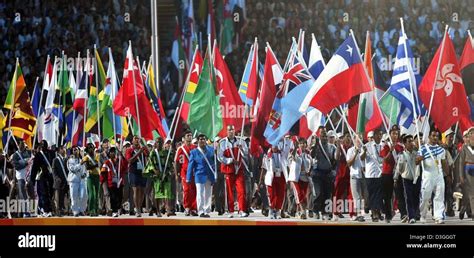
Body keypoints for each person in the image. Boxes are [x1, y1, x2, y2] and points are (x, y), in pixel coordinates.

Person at [416, 128, 447, 224]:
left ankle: (438, 216)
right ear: (429, 137)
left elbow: (443, 163)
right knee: (425, 197)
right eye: (433, 136)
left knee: (439, 196)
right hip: (428, 175)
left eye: (437, 136)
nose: (435, 138)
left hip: (439, 175)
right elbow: (416, 162)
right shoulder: (422, 148)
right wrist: (419, 159)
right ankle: (423, 215)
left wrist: (448, 175)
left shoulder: (441, 150)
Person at [217, 125, 249, 218]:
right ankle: (230, 210)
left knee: (241, 190)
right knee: (229, 191)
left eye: (232, 130)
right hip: (229, 170)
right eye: (229, 130)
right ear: (227, 131)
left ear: (235, 130)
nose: (231, 131)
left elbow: (246, 153)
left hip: (239, 169)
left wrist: (242, 149)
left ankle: (242, 210)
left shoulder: (241, 141)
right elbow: (220, 157)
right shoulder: (222, 143)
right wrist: (230, 160)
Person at [187, 134, 216, 218]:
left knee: (208, 193)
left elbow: (214, 162)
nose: (202, 141)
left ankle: (207, 210)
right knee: (200, 193)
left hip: (210, 174)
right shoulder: (194, 152)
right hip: (199, 175)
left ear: (206, 141)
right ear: (198, 141)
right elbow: (190, 166)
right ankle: (200, 211)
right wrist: (188, 178)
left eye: (203, 139)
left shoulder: (211, 150)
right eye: (200, 139)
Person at [379, 125, 404, 223]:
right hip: (387, 173)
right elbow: (385, 159)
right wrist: (391, 150)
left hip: (398, 173)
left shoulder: (400, 146)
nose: (395, 135)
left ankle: (403, 214)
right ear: (389, 134)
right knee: (387, 196)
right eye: (393, 133)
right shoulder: (386, 146)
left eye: (397, 134)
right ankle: (388, 215)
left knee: (400, 195)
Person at [311, 128, 336, 220]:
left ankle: (325, 212)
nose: (324, 137)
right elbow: (312, 155)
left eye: (326, 136)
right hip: (317, 173)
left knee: (327, 194)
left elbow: (335, 159)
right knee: (319, 193)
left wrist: (339, 148)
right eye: (322, 136)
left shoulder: (332, 147)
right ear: (319, 136)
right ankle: (315, 210)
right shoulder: (316, 146)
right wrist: (316, 145)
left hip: (328, 174)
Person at [395, 134, 421, 224]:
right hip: (406, 180)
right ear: (405, 144)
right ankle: (411, 216)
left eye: (412, 141)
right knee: (409, 198)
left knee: (416, 197)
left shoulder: (417, 153)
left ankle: (416, 212)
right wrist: (395, 178)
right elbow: (399, 168)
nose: (411, 143)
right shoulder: (402, 155)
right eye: (409, 141)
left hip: (416, 179)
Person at [174, 130, 198, 216]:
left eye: (191, 135)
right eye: (188, 135)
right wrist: (177, 174)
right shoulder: (180, 149)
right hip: (184, 172)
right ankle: (187, 207)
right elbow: (176, 162)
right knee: (187, 190)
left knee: (194, 190)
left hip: (194, 172)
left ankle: (194, 208)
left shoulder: (195, 147)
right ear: (183, 138)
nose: (190, 137)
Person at [288, 138, 312, 220]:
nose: (303, 145)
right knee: (299, 194)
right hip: (296, 178)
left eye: (304, 143)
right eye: (301, 143)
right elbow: (293, 157)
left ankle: (298, 212)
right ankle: (303, 212)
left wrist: (309, 171)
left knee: (304, 196)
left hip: (305, 178)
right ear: (298, 145)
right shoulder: (296, 153)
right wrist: (295, 148)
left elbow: (311, 164)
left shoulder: (308, 154)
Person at [363, 130, 384, 222]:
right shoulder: (367, 146)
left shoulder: (384, 146)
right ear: (374, 136)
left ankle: (378, 211)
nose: (379, 136)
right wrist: (364, 152)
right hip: (370, 174)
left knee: (379, 195)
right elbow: (361, 158)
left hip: (380, 173)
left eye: (381, 134)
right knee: (372, 195)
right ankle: (373, 213)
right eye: (378, 135)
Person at [262, 144, 287, 219]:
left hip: (281, 175)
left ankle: (278, 210)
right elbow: (264, 167)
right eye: (273, 146)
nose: (275, 147)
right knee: (272, 193)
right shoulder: (267, 154)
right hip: (271, 176)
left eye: (276, 146)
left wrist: (287, 178)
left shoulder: (282, 153)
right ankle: (271, 210)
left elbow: (286, 165)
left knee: (280, 194)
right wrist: (261, 179)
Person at [126, 135, 149, 217]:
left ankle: (139, 206)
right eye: (135, 138)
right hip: (133, 172)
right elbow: (129, 160)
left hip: (142, 171)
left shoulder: (142, 148)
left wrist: (145, 147)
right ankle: (137, 209)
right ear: (132, 140)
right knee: (136, 189)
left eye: (138, 139)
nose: (137, 140)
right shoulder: (129, 150)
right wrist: (139, 153)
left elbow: (149, 155)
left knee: (142, 191)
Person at [30, 140, 55, 217]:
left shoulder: (51, 153)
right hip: (41, 176)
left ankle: (47, 209)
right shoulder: (38, 155)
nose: (43, 146)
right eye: (42, 144)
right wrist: (32, 179)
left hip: (50, 177)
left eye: (45, 144)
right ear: (40, 146)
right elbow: (34, 168)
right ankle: (44, 210)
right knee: (43, 193)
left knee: (50, 193)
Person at [333, 132, 354, 220]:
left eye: (350, 137)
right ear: (344, 138)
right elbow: (337, 157)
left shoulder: (353, 148)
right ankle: (335, 213)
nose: (348, 138)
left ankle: (353, 214)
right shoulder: (341, 147)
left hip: (351, 174)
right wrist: (338, 146)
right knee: (338, 193)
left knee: (351, 194)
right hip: (341, 174)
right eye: (347, 137)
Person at [10, 139, 33, 217]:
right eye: (21, 144)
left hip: (28, 177)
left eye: (23, 144)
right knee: (23, 196)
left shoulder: (28, 153)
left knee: (32, 195)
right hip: (20, 178)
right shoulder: (15, 155)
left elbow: (31, 162)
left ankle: (31, 211)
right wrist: (26, 163)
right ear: (18, 145)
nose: (22, 146)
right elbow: (17, 167)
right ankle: (26, 212)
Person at [100, 147, 125, 217]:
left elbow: (125, 166)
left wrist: (122, 156)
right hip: (111, 183)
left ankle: (118, 208)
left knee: (120, 196)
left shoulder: (119, 161)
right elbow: (103, 173)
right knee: (113, 197)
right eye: (111, 152)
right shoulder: (107, 163)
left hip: (119, 182)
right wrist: (103, 182)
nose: (113, 153)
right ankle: (114, 211)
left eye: (114, 152)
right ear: (109, 154)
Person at [346, 135, 366, 222]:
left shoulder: (364, 149)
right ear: (354, 140)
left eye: (360, 139)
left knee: (364, 196)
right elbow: (349, 163)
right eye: (357, 140)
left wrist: (364, 152)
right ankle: (358, 214)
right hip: (354, 176)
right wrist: (355, 153)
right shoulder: (350, 150)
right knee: (356, 196)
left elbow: (363, 159)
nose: (359, 141)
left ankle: (361, 212)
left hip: (363, 175)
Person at [458, 127, 474, 221]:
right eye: (471, 134)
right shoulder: (464, 147)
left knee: (470, 194)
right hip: (468, 170)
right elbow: (461, 162)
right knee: (471, 193)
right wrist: (461, 175)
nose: (472, 135)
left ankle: (465, 208)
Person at [67, 146, 87, 217]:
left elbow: (85, 168)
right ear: (72, 151)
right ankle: (75, 211)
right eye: (74, 150)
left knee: (83, 195)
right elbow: (73, 169)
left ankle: (82, 210)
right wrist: (80, 164)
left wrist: (85, 174)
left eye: (77, 150)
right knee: (74, 196)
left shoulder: (82, 159)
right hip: (73, 180)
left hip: (81, 180)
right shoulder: (70, 160)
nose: (76, 151)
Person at [82, 143, 101, 216]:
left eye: (92, 147)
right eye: (89, 147)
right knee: (92, 194)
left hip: (97, 176)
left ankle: (96, 210)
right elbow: (87, 167)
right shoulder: (86, 157)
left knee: (97, 194)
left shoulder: (97, 156)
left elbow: (100, 163)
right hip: (90, 177)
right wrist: (95, 165)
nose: (91, 149)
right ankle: (91, 210)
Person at [52, 145, 69, 217]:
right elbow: (54, 170)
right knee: (57, 197)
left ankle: (62, 209)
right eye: (62, 149)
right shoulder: (55, 160)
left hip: (65, 181)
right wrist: (56, 178)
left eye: (64, 149)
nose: (64, 150)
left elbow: (67, 170)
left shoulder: (66, 160)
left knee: (63, 196)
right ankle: (57, 210)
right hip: (58, 182)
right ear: (59, 150)